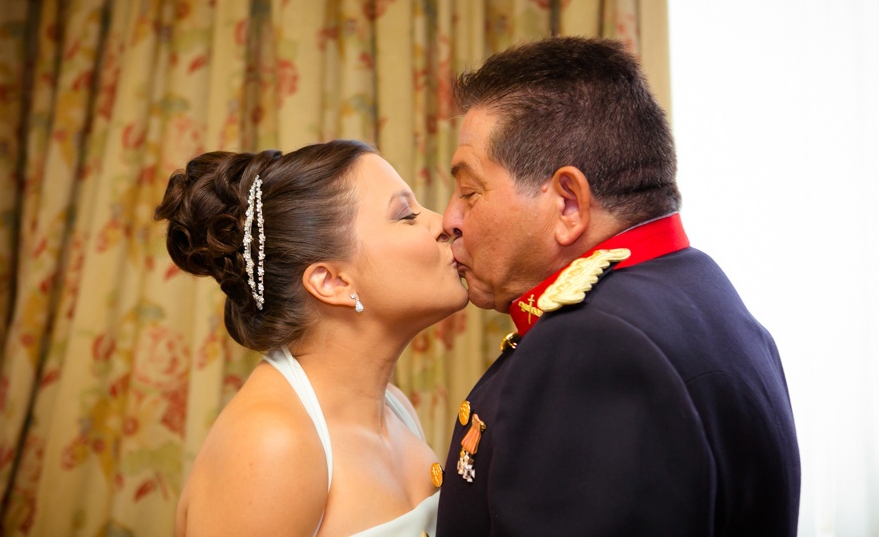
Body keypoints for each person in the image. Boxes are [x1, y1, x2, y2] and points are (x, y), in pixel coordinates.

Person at [435, 37, 801, 535]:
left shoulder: (591, 345)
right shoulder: (703, 288)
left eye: (470, 191)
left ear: (568, 204)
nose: (450, 218)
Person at [155, 140, 468, 536]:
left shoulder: (396, 408)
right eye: (406, 215)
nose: (445, 223)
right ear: (332, 282)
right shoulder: (271, 445)